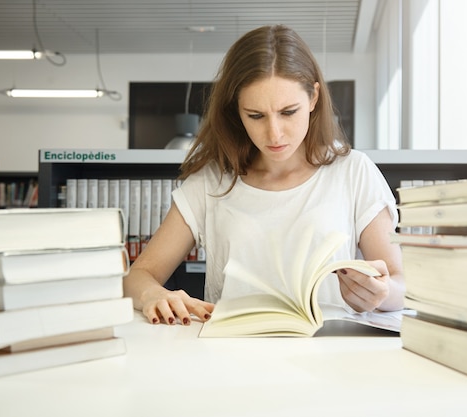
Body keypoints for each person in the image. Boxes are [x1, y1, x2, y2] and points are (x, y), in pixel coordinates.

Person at [123, 24, 405, 326]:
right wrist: (153, 294)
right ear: (236, 110)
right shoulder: (212, 181)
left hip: (331, 351)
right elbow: (138, 276)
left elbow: (401, 284)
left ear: (313, 98)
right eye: (255, 116)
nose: (274, 133)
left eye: (288, 112)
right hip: (234, 352)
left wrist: (382, 293)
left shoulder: (354, 171)